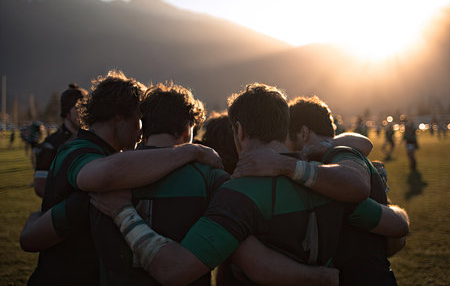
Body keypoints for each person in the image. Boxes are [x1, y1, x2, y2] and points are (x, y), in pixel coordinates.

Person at [92, 84, 409, 285]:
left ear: (239, 131)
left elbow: (175, 270)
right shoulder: (331, 181)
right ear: (285, 127)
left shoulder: (236, 192)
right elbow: (396, 227)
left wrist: (123, 212)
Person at [21, 71, 222, 286]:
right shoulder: (80, 151)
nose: (142, 129)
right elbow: (102, 176)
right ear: (118, 115)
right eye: (138, 119)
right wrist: (192, 152)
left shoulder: (110, 156)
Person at [233, 95, 409, 285]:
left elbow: (395, 225)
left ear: (303, 132)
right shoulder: (347, 158)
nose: (285, 147)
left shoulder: (327, 172)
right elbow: (395, 238)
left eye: (285, 138)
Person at [33, 83, 88, 198]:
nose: (84, 112)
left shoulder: (90, 138)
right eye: (79, 108)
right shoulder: (51, 144)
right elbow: (40, 186)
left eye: (86, 107)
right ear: (67, 112)